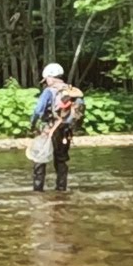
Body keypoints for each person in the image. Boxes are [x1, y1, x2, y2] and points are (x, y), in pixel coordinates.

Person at [29, 63, 84, 192]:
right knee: (61, 160)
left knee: (40, 159)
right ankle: (61, 189)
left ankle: (38, 191)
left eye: (46, 79)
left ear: (50, 77)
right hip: (66, 130)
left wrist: (32, 124)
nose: (46, 82)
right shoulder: (72, 91)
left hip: (49, 129)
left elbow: (38, 111)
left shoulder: (49, 91)